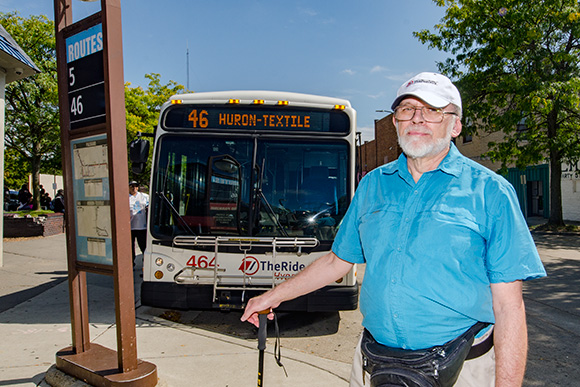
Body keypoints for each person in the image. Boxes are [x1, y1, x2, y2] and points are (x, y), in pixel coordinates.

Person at [241, 72, 547, 387]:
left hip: (462, 371)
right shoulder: (372, 184)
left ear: (455, 125)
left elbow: (509, 305)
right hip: (374, 363)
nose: (417, 119)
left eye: (432, 110)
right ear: (396, 122)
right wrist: (272, 296)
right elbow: (337, 262)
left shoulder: (491, 192)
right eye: (407, 110)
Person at [129, 181, 149, 266]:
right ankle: (131, 264)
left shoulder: (144, 196)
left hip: (141, 226)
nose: (134, 188)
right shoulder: (126, 197)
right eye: (132, 186)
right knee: (130, 248)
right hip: (130, 226)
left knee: (143, 247)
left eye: (136, 186)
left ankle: (145, 265)